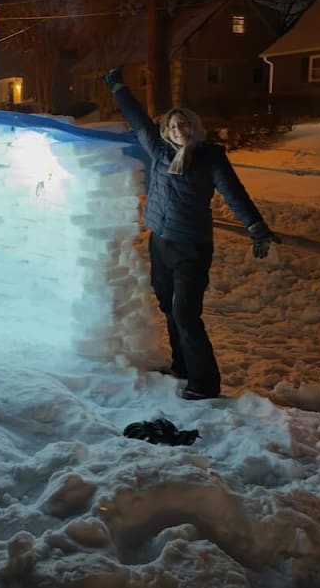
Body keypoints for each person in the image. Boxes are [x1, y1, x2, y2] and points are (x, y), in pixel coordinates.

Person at [103, 66, 280, 400]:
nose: (179, 130)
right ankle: (182, 366)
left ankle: (205, 383)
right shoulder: (159, 152)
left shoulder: (210, 158)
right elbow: (139, 121)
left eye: (184, 124)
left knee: (186, 313)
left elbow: (234, 193)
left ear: (194, 127)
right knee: (169, 307)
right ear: (166, 130)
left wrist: (255, 227)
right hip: (160, 243)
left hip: (192, 248)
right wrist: (118, 88)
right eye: (173, 125)